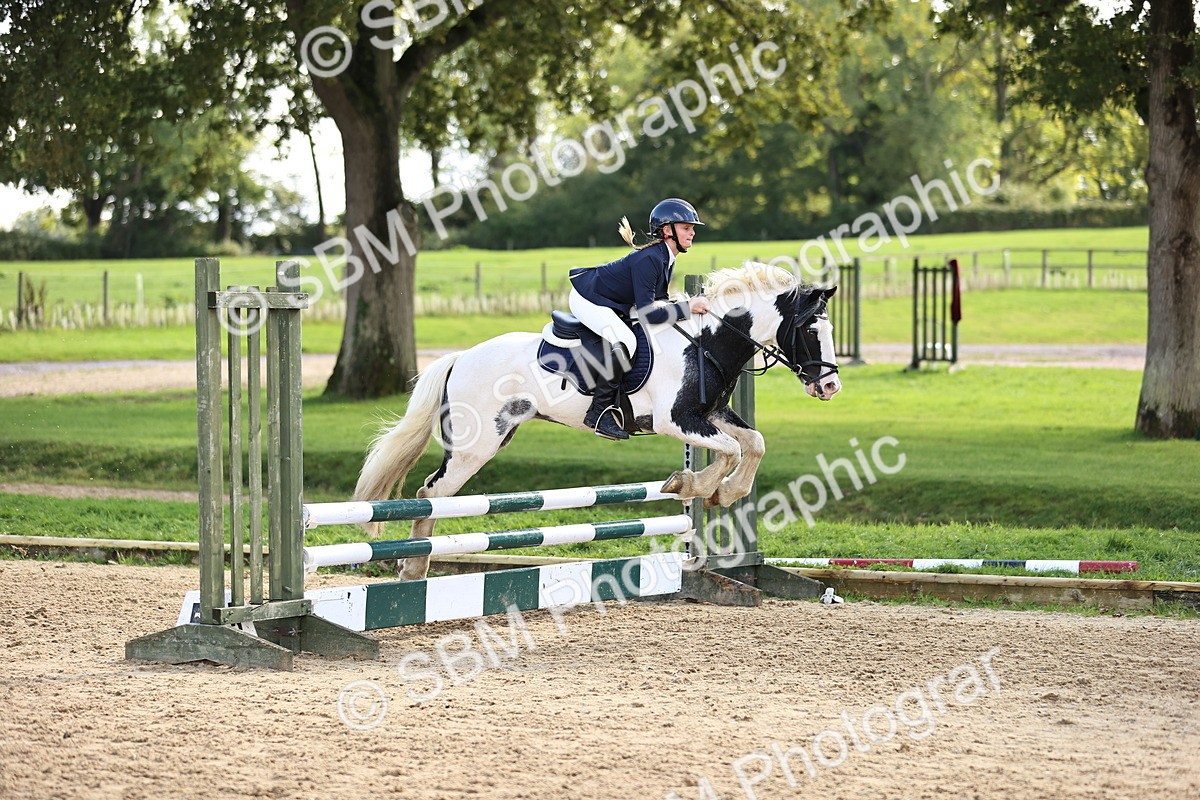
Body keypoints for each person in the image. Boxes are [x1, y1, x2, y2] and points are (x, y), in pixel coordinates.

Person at [567, 197, 711, 440]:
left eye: (692, 228)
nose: (692, 232)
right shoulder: (651, 258)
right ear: (668, 231)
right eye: (687, 227)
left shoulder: (666, 256)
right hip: (588, 298)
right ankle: (599, 413)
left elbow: (660, 300)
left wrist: (684, 305)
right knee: (625, 341)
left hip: (614, 302)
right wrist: (688, 307)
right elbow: (648, 313)